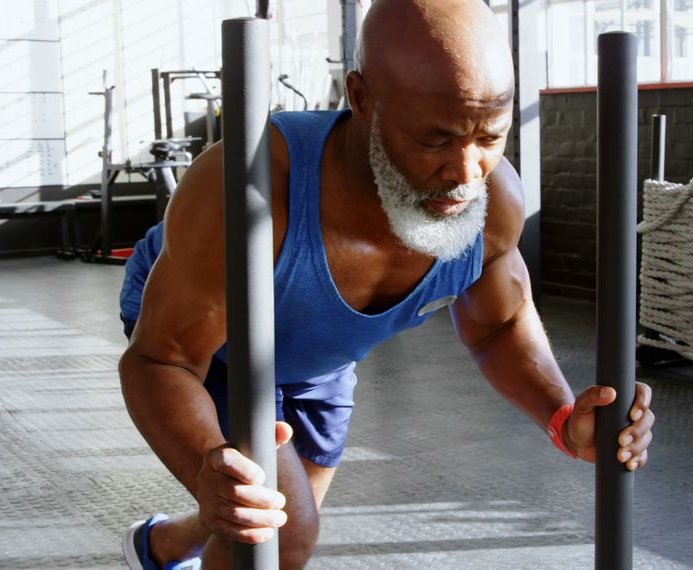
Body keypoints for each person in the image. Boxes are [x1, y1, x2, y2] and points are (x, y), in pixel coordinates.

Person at [118, 0, 655, 568]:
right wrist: (209, 461)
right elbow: (162, 360)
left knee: (260, 518)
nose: (466, 171)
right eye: (436, 140)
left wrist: (564, 419)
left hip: (323, 352)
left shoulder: (493, 204)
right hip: (212, 345)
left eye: (490, 136)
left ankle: (158, 547)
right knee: (278, 532)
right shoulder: (247, 191)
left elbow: (497, 325)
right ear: (361, 99)